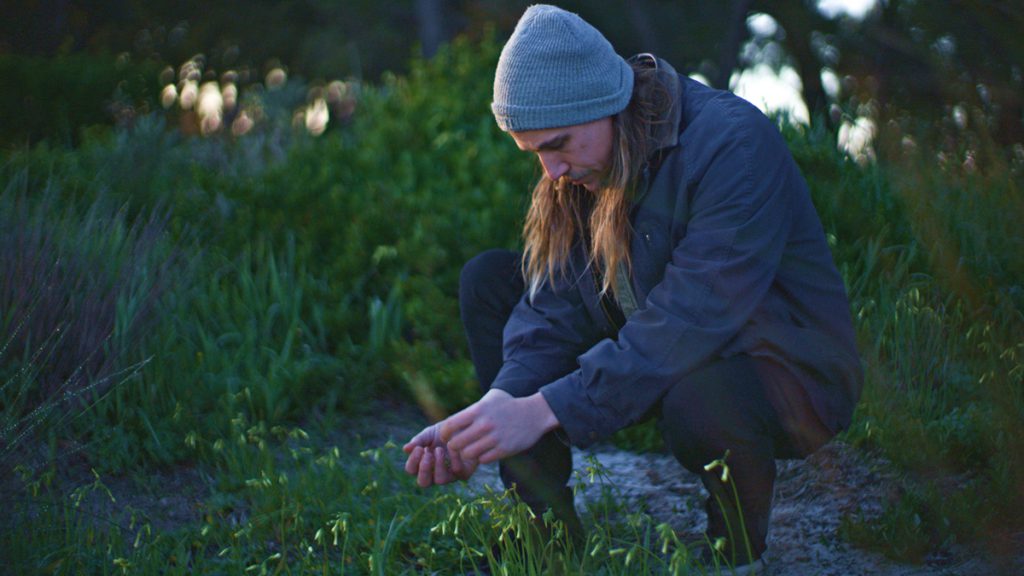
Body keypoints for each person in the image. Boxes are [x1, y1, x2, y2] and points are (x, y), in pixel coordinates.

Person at [403, 4, 863, 572]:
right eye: (536, 153)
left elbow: (689, 321)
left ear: (603, 105)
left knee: (701, 398)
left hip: (780, 366)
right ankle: (542, 534)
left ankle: (737, 553)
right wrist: (498, 409)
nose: (551, 171)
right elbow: (553, 307)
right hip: (661, 337)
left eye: (558, 145)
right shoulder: (588, 156)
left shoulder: (733, 145)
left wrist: (544, 408)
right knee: (491, 281)